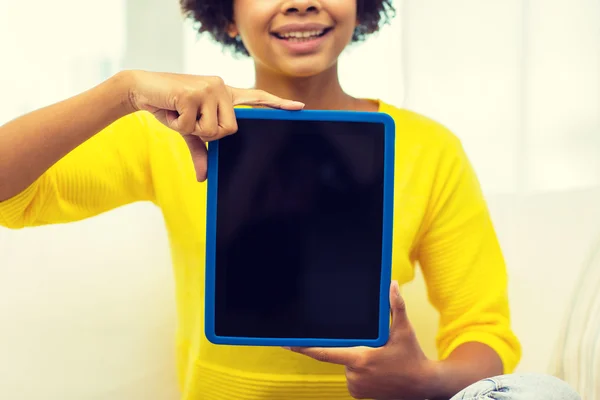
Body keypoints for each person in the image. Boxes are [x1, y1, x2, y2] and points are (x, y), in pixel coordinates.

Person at [0, 0, 581, 399]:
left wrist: (422, 380)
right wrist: (122, 91)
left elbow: (485, 333)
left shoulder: (428, 148)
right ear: (226, 14)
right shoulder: (171, 134)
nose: (301, 0)